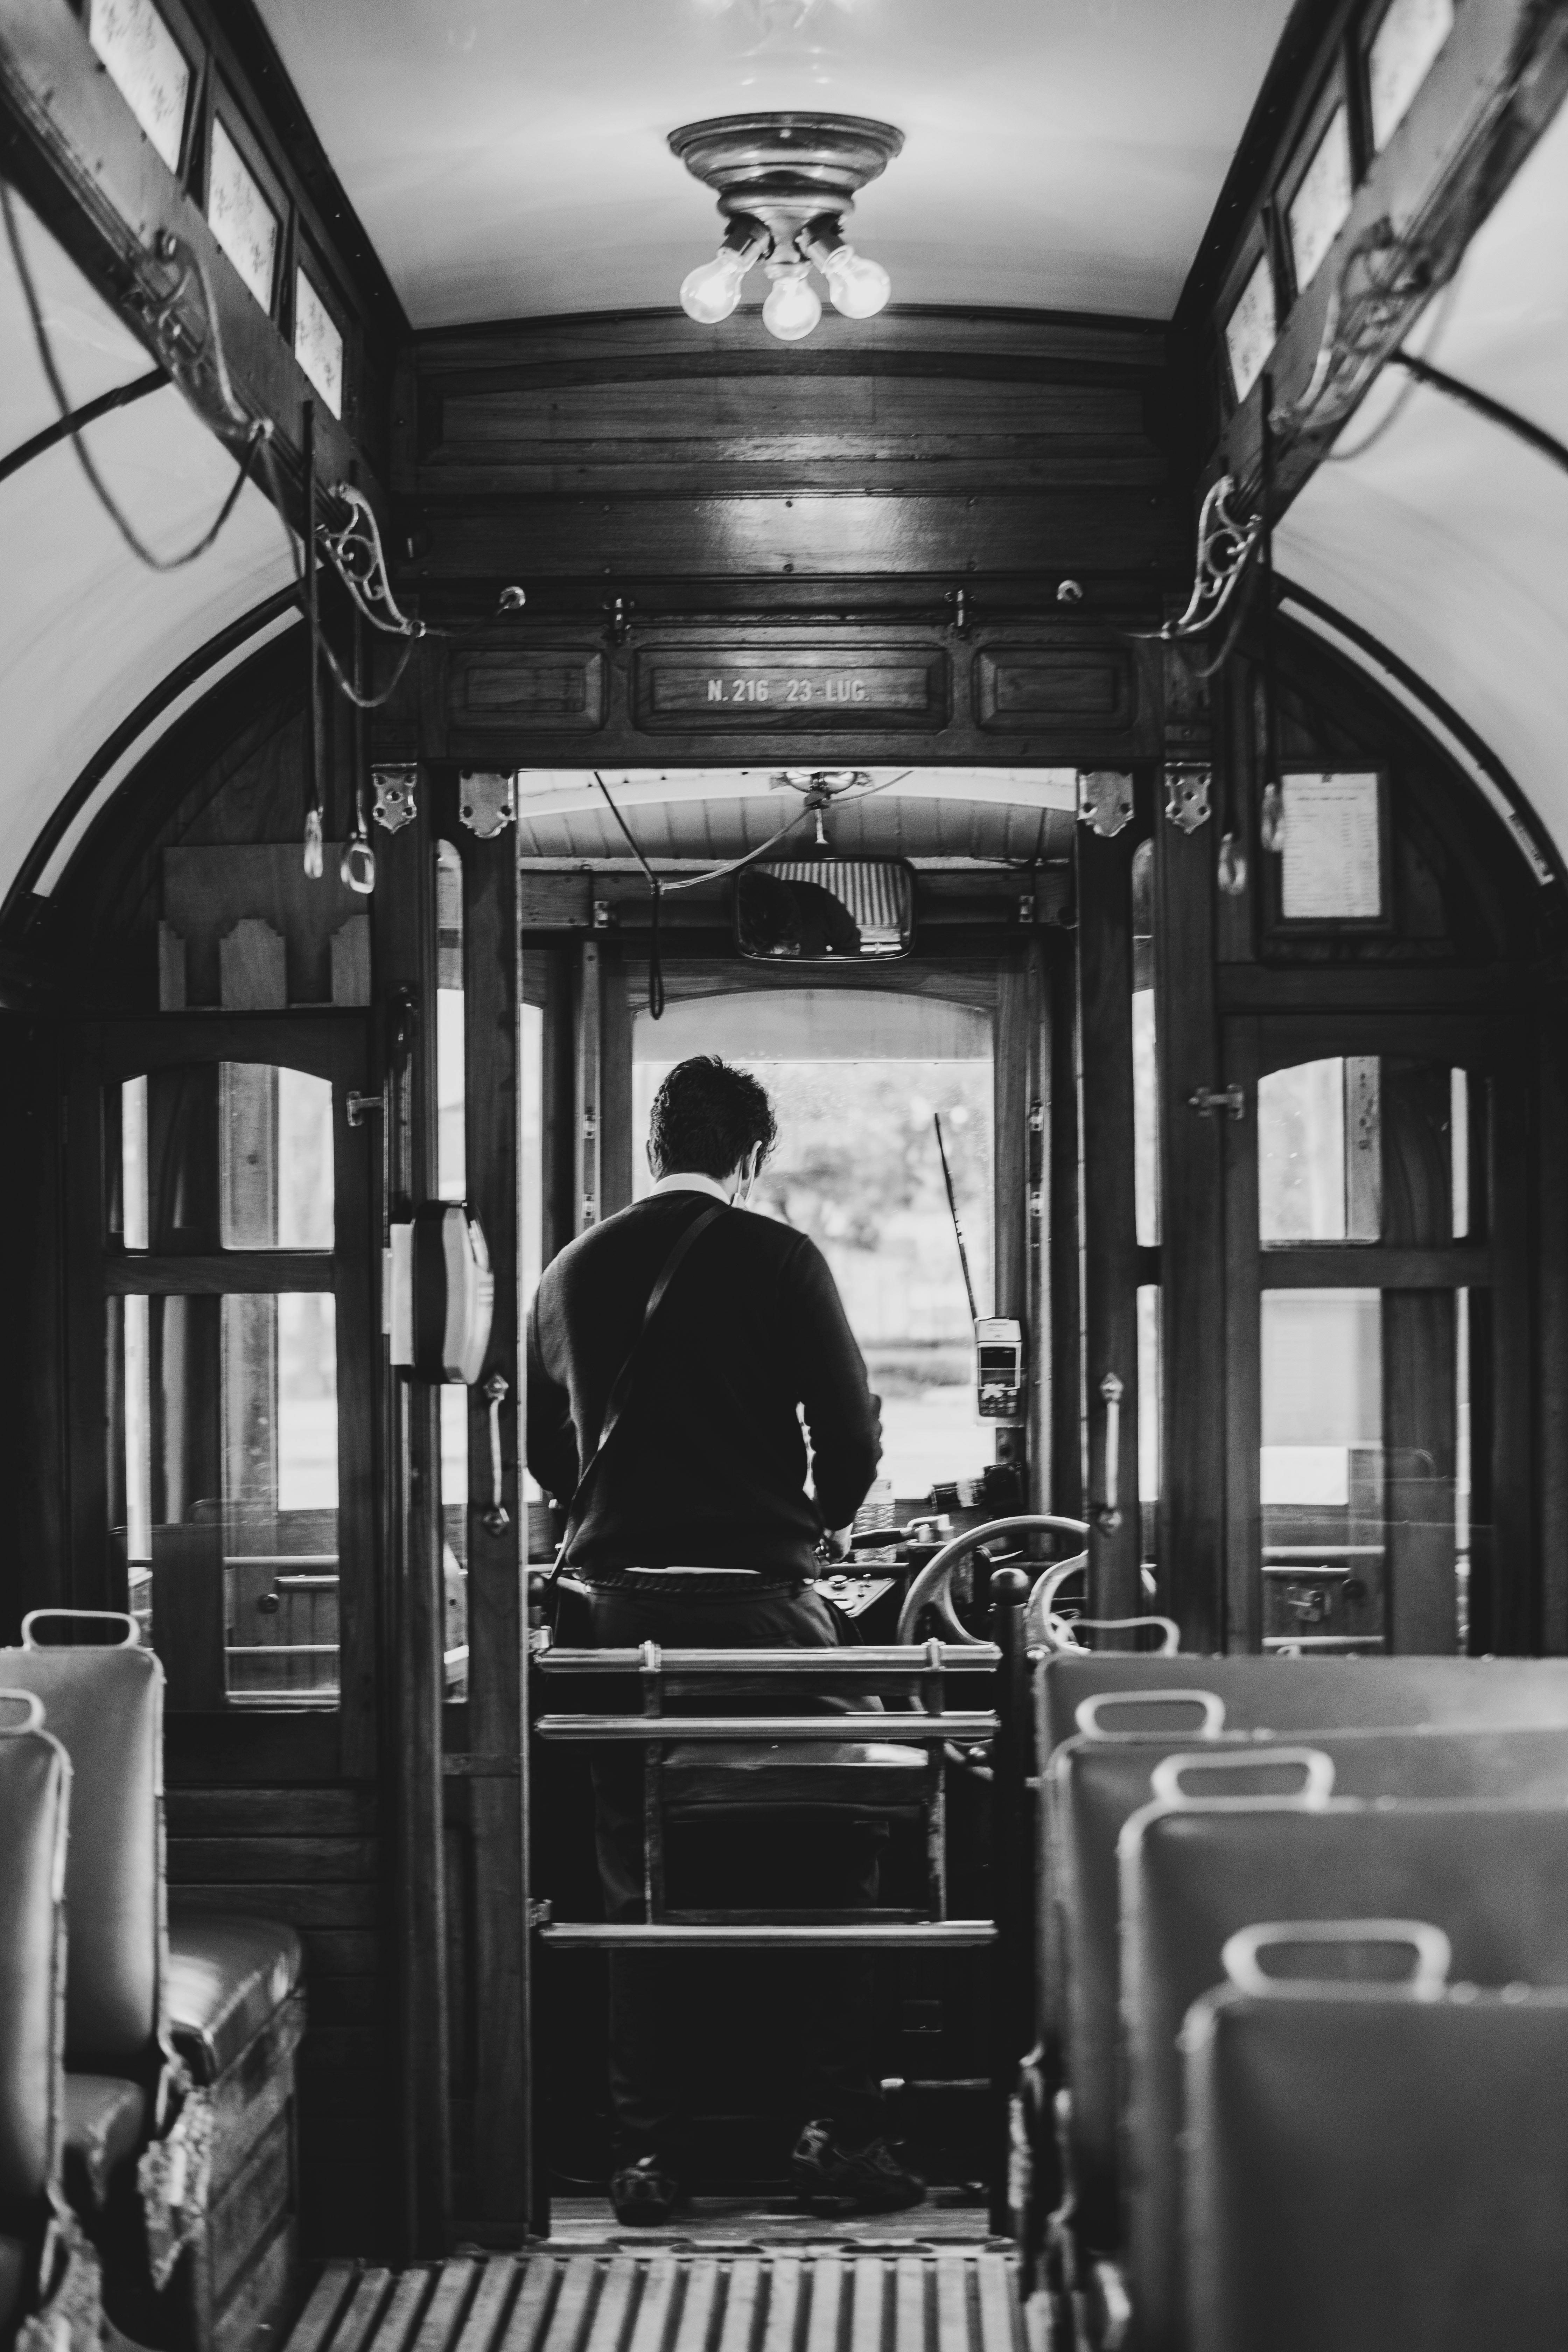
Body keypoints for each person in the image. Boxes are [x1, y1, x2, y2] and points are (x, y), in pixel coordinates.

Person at [526, 1053, 926, 2224]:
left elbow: (555, 1456)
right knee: (834, 1846)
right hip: (761, 1611)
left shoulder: (570, 1270)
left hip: (615, 1618)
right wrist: (823, 1523)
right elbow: (848, 1434)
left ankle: (645, 2158)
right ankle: (832, 2131)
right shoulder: (780, 1257)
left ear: (655, 1150)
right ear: (751, 1157)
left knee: (630, 1873)